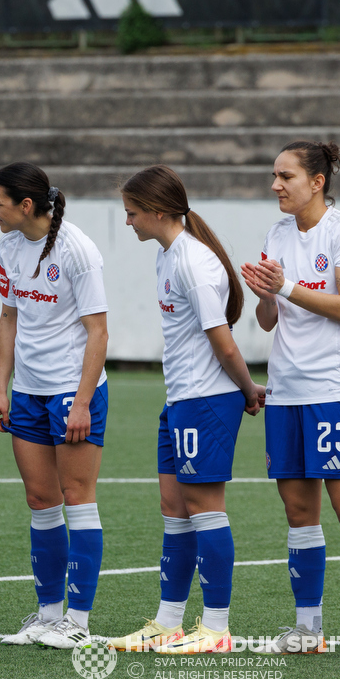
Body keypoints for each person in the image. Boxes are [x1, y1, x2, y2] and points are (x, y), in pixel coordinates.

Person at [111, 165, 263, 654]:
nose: (128, 221)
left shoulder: (193, 263)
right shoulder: (168, 256)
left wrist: (247, 390)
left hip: (204, 399)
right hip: (180, 399)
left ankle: (216, 628)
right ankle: (168, 622)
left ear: (158, 211)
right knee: (174, 511)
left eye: (132, 213)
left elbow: (223, 344)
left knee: (204, 510)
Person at [241, 141, 340, 660]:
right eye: (274, 175)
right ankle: (308, 628)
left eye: (286, 176)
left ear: (317, 181)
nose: (275, 184)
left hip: (335, 391)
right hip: (286, 393)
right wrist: (265, 294)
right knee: (298, 512)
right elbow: (269, 320)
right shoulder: (277, 233)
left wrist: (287, 285)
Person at [0, 162, 109, 650]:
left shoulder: (77, 250)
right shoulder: (9, 247)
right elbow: (7, 319)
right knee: (41, 502)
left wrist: (81, 403)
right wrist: (2, 389)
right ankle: (48, 615)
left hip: (72, 394)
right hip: (28, 393)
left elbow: (98, 331)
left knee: (78, 498)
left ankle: (78, 620)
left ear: (26, 205)